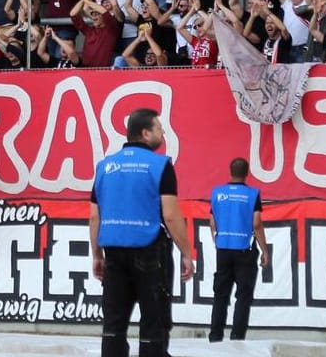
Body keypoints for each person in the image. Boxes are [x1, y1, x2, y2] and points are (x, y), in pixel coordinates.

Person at [90, 107, 195, 357]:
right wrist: (186, 252)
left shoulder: (105, 166)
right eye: (159, 128)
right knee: (154, 320)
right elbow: (170, 214)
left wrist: (97, 255)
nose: (163, 132)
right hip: (150, 250)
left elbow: (95, 216)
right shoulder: (160, 165)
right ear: (146, 133)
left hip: (113, 250)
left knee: (113, 324)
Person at [208, 157, 267, 343]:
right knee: (243, 295)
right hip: (244, 249)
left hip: (223, 249)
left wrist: (217, 240)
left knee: (220, 294)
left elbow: (212, 222)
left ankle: (215, 335)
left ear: (230, 171)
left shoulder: (217, 193)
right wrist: (265, 250)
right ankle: (237, 336)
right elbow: (256, 224)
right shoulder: (253, 194)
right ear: (247, 173)